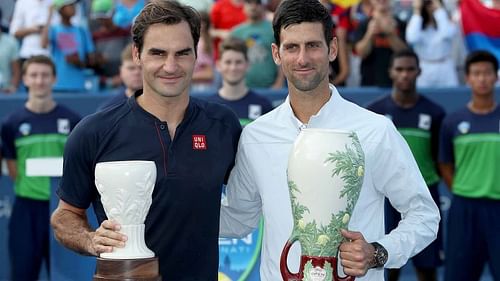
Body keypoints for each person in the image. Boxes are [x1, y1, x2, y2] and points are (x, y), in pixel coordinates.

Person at [219, 1, 440, 280]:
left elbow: (424, 215)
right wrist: (171, 202)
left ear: (332, 49)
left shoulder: (375, 130)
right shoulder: (255, 136)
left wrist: (378, 252)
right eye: (291, 47)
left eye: (312, 45)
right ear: (276, 53)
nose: (302, 59)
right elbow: (238, 219)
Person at [50, 1, 241, 281]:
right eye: (158, 53)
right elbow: (64, 216)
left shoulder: (223, 125)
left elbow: (254, 198)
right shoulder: (93, 132)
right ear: (137, 55)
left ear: (196, 54)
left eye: (182, 53)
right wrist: (91, 240)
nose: (170, 66)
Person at [366, 49, 445, 281]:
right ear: (391, 72)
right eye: (399, 69)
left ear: (419, 72)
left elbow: (438, 159)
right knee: (386, 263)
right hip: (385, 199)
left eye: (410, 69)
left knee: (427, 267)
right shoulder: (374, 113)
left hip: (424, 193)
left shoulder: (434, 112)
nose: (405, 75)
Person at [0, 55, 81, 281]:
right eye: (34, 75)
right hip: (27, 211)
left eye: (45, 75)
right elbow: (13, 167)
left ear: (54, 79)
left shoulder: (73, 120)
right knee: (23, 274)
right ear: (25, 79)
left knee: (67, 275)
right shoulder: (11, 123)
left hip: (65, 209)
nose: (39, 80)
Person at [439, 50, 500, 281]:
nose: (482, 78)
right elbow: (445, 163)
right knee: (459, 275)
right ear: (468, 78)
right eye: (476, 73)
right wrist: (464, 189)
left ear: (496, 77)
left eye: (487, 73)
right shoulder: (453, 121)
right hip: (465, 210)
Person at [206, 37, 273, 126]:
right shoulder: (208, 107)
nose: (233, 68)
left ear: (248, 65)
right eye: (228, 62)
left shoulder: (263, 105)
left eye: (238, 62)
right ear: (218, 65)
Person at [41, 0, 97, 92]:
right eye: (70, 5)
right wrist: (49, 16)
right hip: (57, 86)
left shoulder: (82, 31)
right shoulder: (54, 30)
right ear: (61, 9)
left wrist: (79, 62)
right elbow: (43, 44)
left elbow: (91, 60)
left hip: (79, 86)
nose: (73, 7)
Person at [231, 0, 284, 89]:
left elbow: (282, 56)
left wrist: (279, 82)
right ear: (243, 6)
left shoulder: (274, 29)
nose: (253, 6)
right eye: (249, 3)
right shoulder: (236, 32)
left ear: (264, 6)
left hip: (270, 88)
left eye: (257, 3)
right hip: (243, 88)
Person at [353, 0, 407, 87]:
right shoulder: (363, 24)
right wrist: (369, 34)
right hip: (370, 81)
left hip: (396, 83)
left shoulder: (401, 24)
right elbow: (361, 53)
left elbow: (404, 54)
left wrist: (390, 34)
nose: (381, 0)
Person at [406, 0, 459, 88]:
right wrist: (417, 10)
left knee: (450, 96)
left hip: (445, 66)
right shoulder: (416, 23)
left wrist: (439, 9)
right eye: (427, 3)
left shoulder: (446, 22)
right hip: (424, 67)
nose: (430, 6)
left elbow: (447, 33)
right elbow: (412, 38)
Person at [97, 43, 142, 111]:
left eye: (141, 68)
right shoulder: (108, 110)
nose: (136, 72)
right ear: (121, 71)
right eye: (131, 68)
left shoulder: (162, 106)